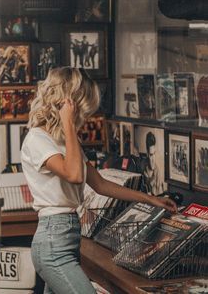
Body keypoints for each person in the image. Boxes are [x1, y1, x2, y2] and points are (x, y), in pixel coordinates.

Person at [21, 67, 177, 294]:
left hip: (67, 237)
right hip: (53, 241)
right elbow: (74, 175)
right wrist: (67, 123)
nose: (84, 117)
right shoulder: (37, 139)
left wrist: (151, 199)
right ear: (70, 103)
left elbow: (100, 184)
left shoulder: (65, 142)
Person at [142, 132, 164, 196]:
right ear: (147, 154)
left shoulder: (158, 172)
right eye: (151, 155)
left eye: (154, 154)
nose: (153, 159)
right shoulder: (142, 168)